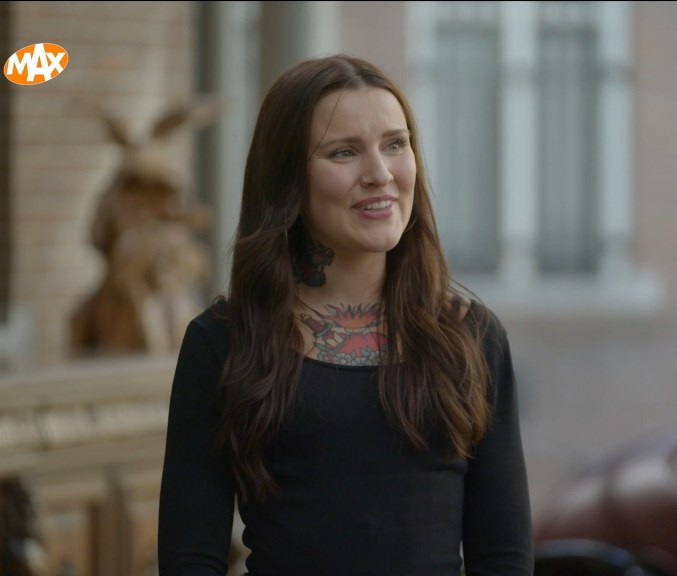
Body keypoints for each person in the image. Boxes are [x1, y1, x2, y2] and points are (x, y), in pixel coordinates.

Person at [157, 54, 532, 576]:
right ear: (288, 177)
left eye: (395, 144)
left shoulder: (472, 337)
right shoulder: (223, 344)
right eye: (344, 152)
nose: (380, 174)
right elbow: (190, 558)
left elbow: (504, 558)